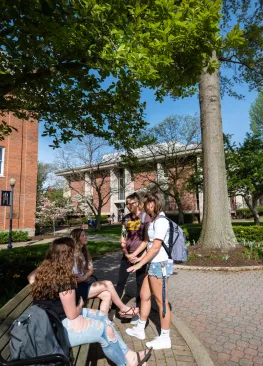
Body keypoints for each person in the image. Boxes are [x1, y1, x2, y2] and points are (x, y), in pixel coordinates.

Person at [29, 237, 152, 366]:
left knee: (103, 318)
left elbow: (30, 277)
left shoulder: (47, 271)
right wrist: (80, 304)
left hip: (51, 320)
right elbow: (72, 315)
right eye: (73, 252)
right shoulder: (65, 280)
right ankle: (125, 364)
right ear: (68, 256)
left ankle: (130, 356)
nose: (76, 255)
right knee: (104, 331)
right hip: (54, 332)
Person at [125, 193, 173, 350]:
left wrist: (139, 265)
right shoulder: (154, 221)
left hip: (160, 265)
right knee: (144, 296)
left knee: (161, 302)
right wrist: (139, 259)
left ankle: (165, 338)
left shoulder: (161, 221)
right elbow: (149, 245)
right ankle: (140, 329)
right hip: (152, 264)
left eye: (146, 204)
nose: (144, 207)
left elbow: (156, 247)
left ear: (153, 203)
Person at [70, 228, 139, 317]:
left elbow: (90, 269)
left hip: (85, 284)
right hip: (76, 290)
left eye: (85, 235)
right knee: (108, 284)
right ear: (76, 239)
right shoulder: (74, 255)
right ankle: (124, 308)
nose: (86, 237)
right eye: (83, 236)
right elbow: (76, 278)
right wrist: (84, 277)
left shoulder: (84, 252)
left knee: (107, 295)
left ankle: (103, 321)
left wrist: (85, 276)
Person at [113, 193, 151, 324]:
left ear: (137, 202)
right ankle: (113, 310)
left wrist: (136, 255)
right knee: (120, 282)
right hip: (127, 255)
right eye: (126, 203)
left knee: (140, 285)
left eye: (130, 203)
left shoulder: (145, 217)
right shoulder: (126, 218)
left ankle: (139, 313)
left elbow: (146, 240)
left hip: (140, 257)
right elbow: (123, 236)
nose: (128, 206)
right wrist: (126, 251)